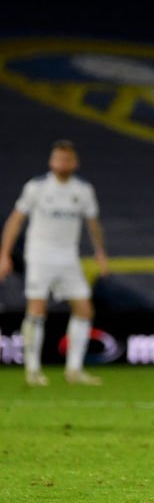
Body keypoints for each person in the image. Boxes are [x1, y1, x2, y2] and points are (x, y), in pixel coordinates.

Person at [0, 140, 109, 386]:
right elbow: (16, 220)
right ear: (51, 162)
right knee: (37, 309)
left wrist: (100, 253)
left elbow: (93, 224)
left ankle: (74, 370)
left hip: (68, 257)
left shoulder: (83, 190)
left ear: (75, 163)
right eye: (58, 159)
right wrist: (4, 254)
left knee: (84, 309)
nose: (62, 163)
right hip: (39, 255)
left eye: (66, 159)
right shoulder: (37, 187)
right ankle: (33, 370)